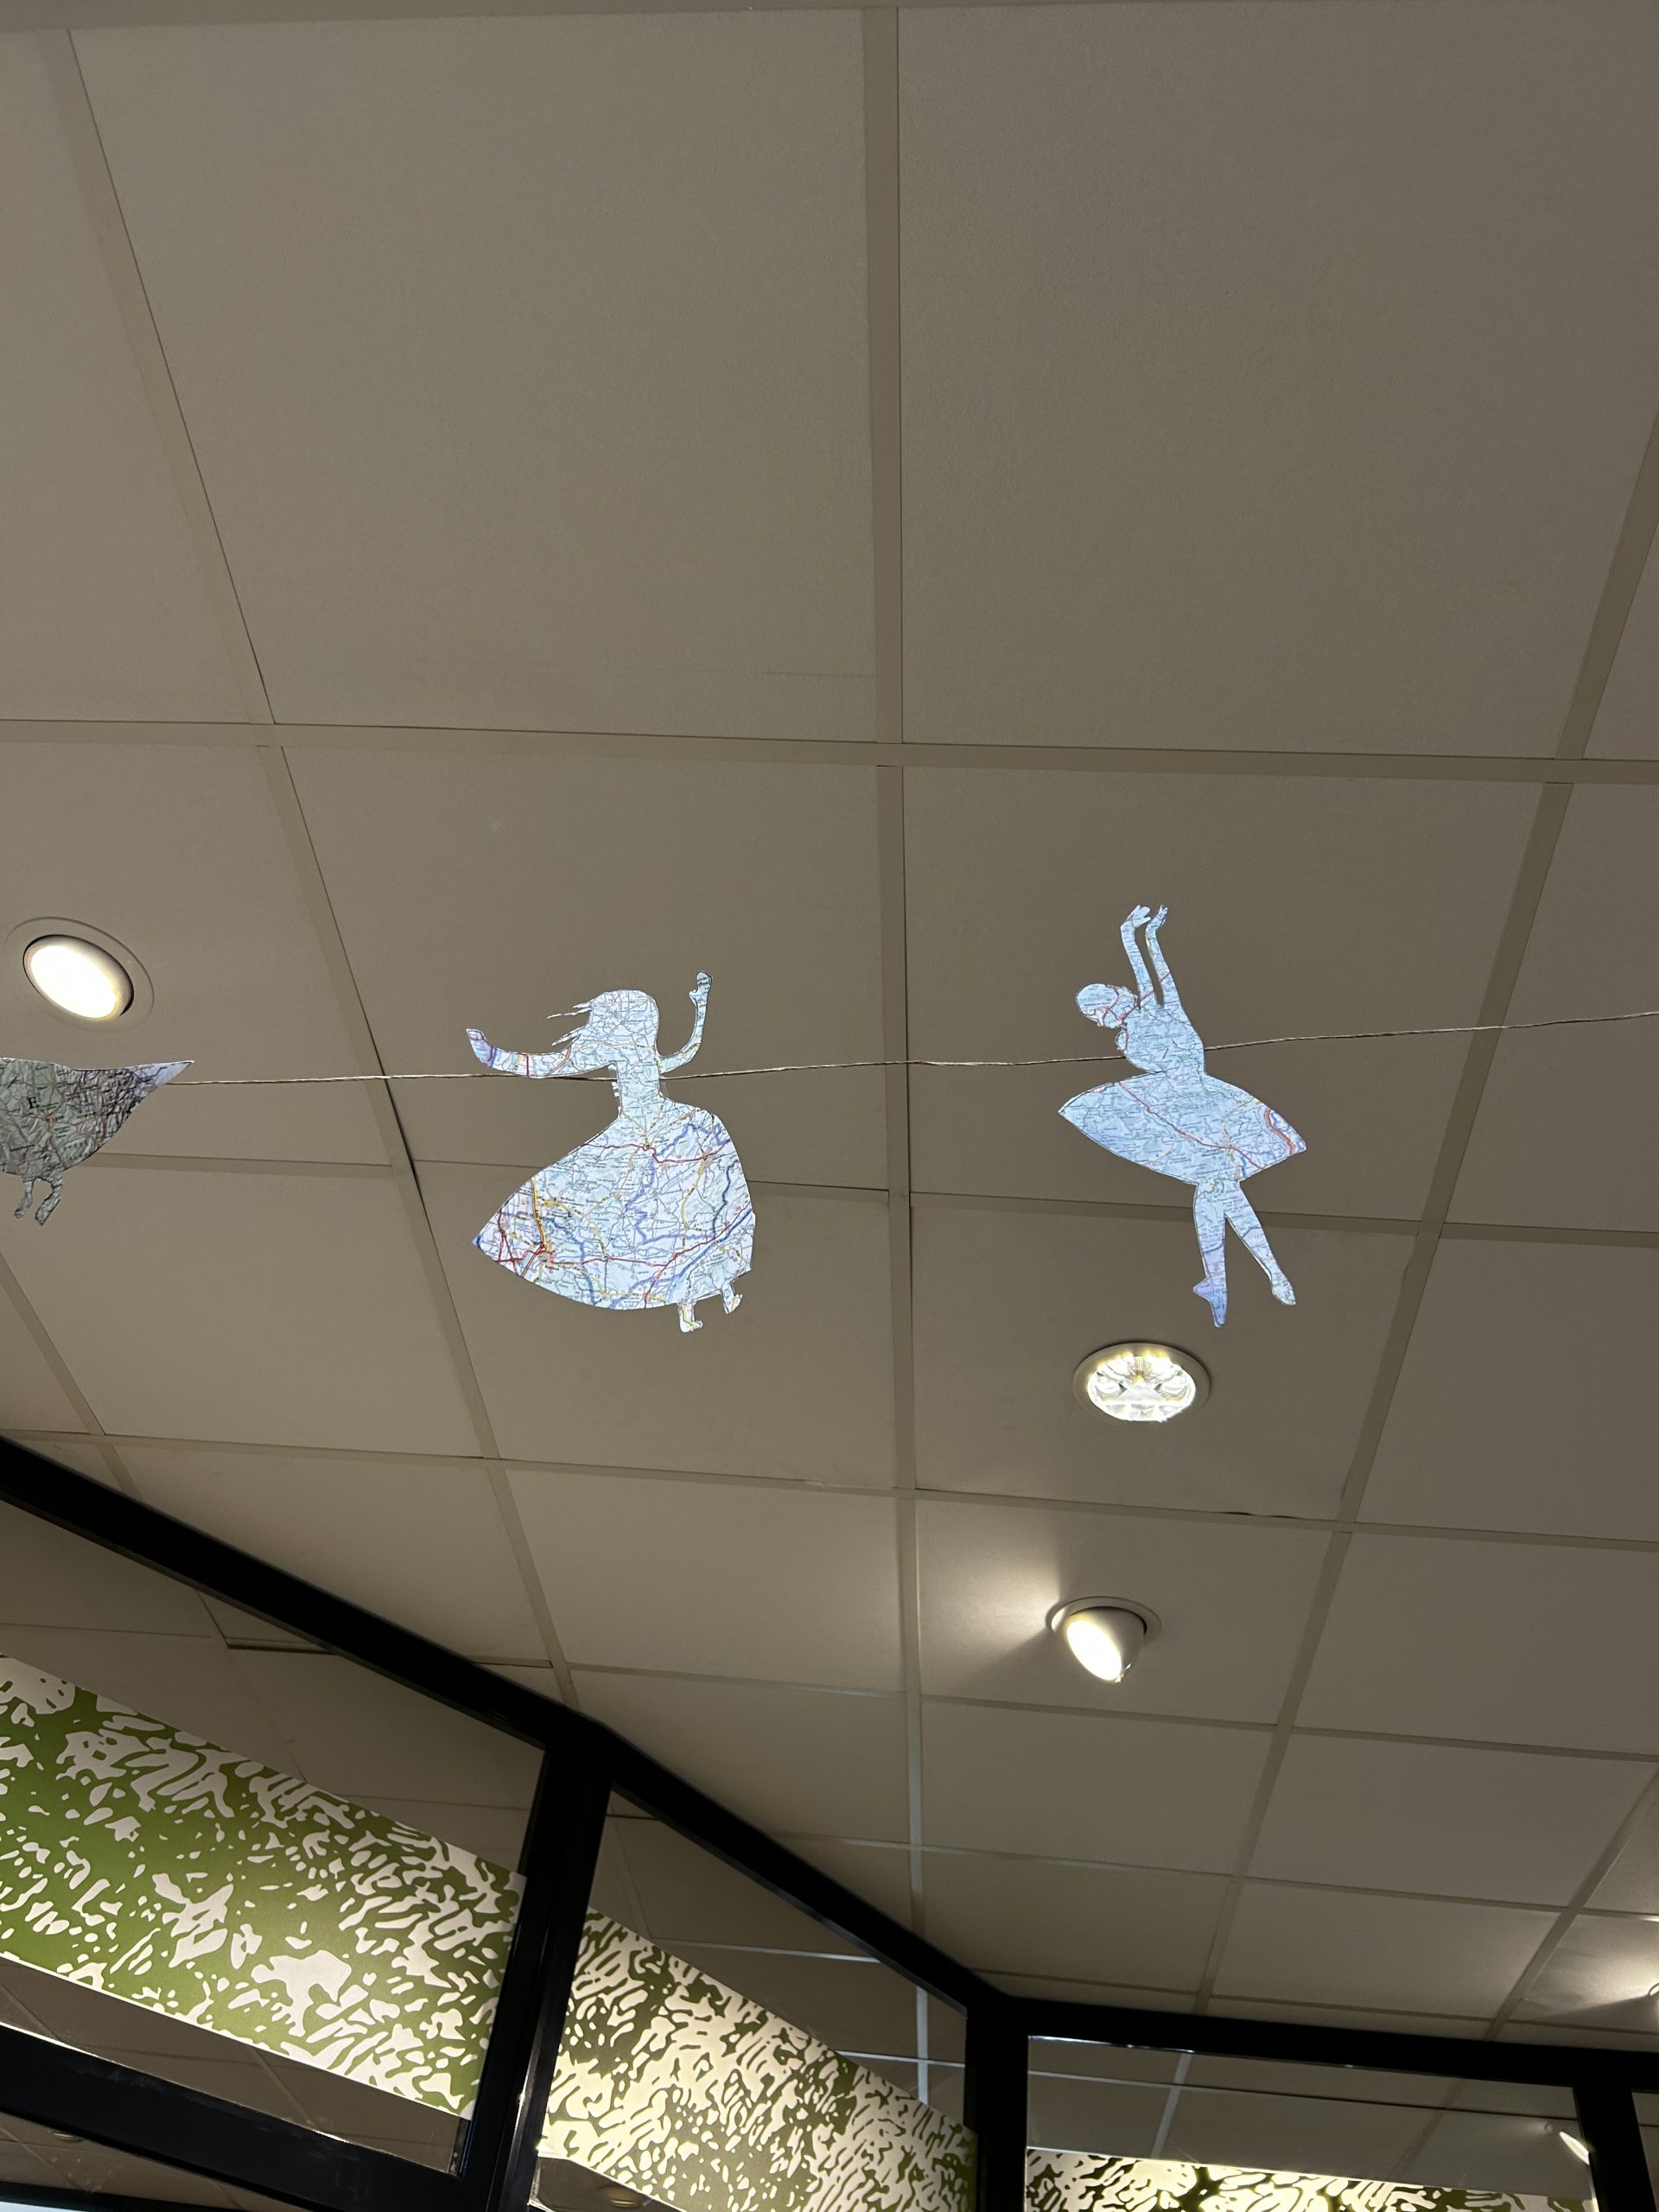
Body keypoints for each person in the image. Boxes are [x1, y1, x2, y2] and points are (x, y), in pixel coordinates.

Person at [1059, 906, 1303, 1325]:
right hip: (1178, 1107)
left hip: (1198, 1106)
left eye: (1097, 1008)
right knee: (1216, 1187)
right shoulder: (1133, 1027)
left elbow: (1156, 973)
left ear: (1114, 997)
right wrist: (1140, 934)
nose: (1099, 1020)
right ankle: (1248, 1277)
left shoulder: (1157, 1008)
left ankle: (1241, 1277)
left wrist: (1139, 934)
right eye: (1092, 1017)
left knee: (1216, 1187)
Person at [467, 975, 753, 1332]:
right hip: (635, 1134)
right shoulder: (607, 1050)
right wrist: (493, 1056)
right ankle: (688, 1304)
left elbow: (686, 1053)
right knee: (658, 1216)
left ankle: (721, 1288)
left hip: (665, 1125)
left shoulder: (645, 1049)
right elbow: (550, 1065)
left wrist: (702, 1007)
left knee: (696, 1209)